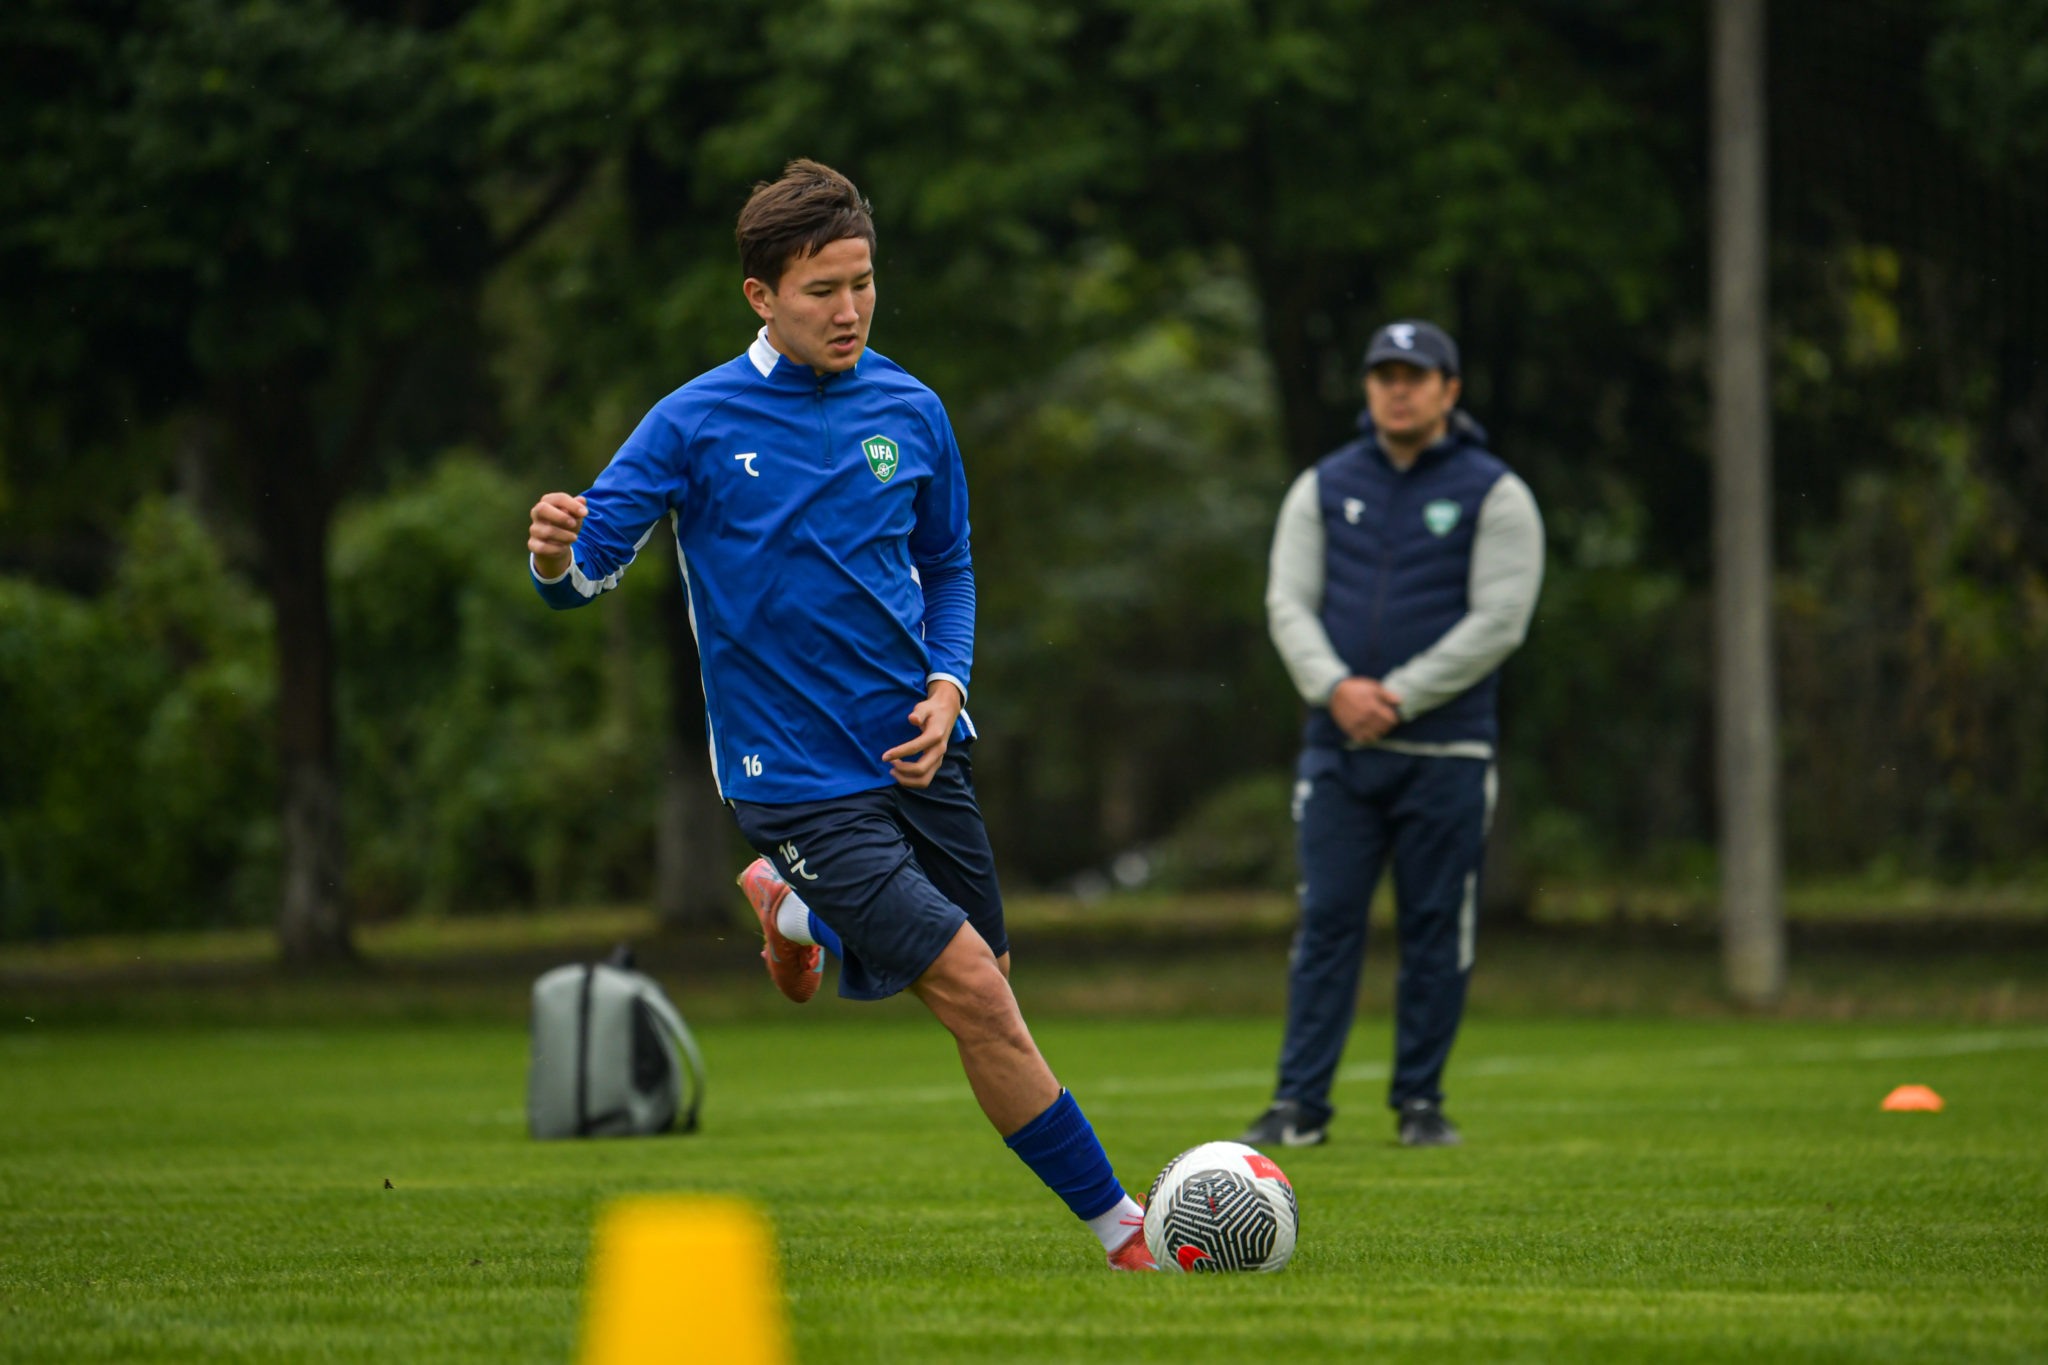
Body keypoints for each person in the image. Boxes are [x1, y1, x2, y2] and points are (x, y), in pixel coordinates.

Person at [525, 160, 1156, 1269]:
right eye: (822, 289)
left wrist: (949, 687)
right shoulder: (691, 422)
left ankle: (794, 915)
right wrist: (554, 557)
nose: (849, 309)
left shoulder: (912, 407)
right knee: (974, 991)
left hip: (919, 752)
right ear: (761, 295)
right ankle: (1127, 1234)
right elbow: (583, 572)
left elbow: (948, 567)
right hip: (792, 779)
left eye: (862, 283)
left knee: (988, 983)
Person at [1239, 320, 1544, 1149]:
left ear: (1450, 389)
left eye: (1415, 375)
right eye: (1384, 375)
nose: (1398, 390)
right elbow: (1287, 602)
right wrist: (1336, 688)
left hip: (1448, 753)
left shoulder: (1496, 492)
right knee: (1327, 921)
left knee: (1436, 925)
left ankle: (1420, 1103)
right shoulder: (1324, 485)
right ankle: (1299, 1105)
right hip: (1339, 752)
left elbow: (1501, 618)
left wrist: (1400, 697)